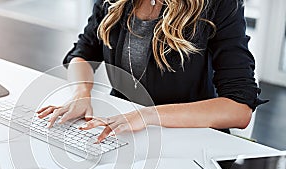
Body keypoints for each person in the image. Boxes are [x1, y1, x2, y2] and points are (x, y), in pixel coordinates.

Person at [37, 0, 265, 143]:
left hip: (188, 138)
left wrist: (147, 116)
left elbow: (239, 108)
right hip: (124, 132)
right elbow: (83, 52)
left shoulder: (219, 5)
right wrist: (81, 94)